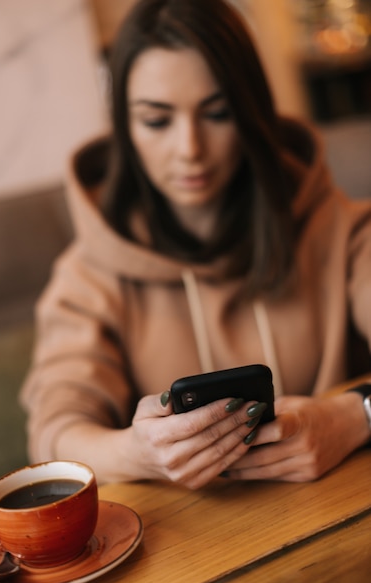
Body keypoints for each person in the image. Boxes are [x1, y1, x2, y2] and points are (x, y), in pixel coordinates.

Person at [21, 0, 371, 490]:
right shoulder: (87, 273)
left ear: (251, 113)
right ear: (125, 128)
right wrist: (136, 454)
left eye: (218, 113)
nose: (189, 148)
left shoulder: (345, 229)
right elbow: (54, 433)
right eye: (157, 120)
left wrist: (355, 417)